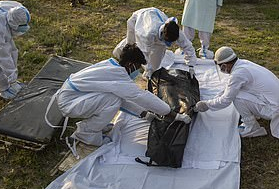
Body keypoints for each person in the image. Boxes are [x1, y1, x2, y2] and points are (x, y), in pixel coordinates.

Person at [53, 43, 192, 151]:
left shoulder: (111, 66)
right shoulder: (117, 76)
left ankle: (95, 125)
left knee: (113, 98)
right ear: (130, 64)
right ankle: (86, 133)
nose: (137, 71)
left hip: (75, 96)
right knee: (112, 100)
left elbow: (124, 98)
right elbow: (139, 96)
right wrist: (171, 113)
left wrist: (144, 114)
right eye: (137, 67)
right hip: (70, 102)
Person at [193, 46, 279, 139]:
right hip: (275, 102)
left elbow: (226, 100)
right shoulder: (242, 64)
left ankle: (252, 127)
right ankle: (255, 113)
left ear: (224, 65)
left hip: (272, 110)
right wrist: (214, 99)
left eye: (220, 66)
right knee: (238, 90)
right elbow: (229, 88)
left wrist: (207, 105)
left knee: (237, 96)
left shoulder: (238, 74)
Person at [112, 7, 197, 79]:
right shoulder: (148, 34)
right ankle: (120, 57)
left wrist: (191, 66)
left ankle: (148, 75)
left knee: (155, 64)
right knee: (131, 46)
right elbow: (142, 54)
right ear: (163, 33)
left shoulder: (175, 31)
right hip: (137, 20)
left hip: (153, 20)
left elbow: (188, 47)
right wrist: (143, 67)